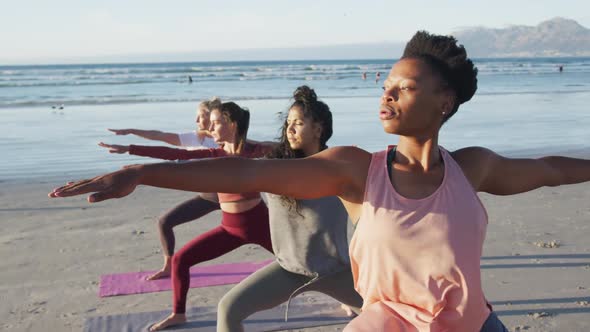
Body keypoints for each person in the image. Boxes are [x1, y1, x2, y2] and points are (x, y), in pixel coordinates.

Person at [49, 31, 590, 331]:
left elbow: (553, 171)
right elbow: (247, 171)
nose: (387, 95)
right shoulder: (357, 169)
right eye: (386, 86)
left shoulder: (474, 168)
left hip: (473, 324)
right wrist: (143, 172)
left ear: (445, 101)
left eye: (404, 88)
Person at [101, 101, 275, 331]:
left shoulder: (257, 151)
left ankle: (341, 297)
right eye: (210, 124)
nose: (210, 129)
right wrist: (131, 150)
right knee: (180, 260)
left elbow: (297, 153)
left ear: (232, 125)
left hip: (261, 224)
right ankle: (178, 314)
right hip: (230, 229)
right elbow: (174, 154)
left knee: (304, 261)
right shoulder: (215, 154)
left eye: (215, 124)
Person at [216, 86, 362, 331]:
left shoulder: (340, 168)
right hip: (290, 269)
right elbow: (237, 171)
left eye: (299, 123)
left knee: (393, 313)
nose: (290, 129)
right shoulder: (275, 168)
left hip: (335, 270)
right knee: (228, 309)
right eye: (288, 123)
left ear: (318, 129)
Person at [105, 98, 221, 280]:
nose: (196, 121)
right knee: (164, 222)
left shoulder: (228, 139)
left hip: (237, 196)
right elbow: (159, 135)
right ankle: (168, 266)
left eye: (199, 116)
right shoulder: (194, 138)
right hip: (209, 197)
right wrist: (131, 132)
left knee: (266, 226)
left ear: (210, 116)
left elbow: (256, 148)